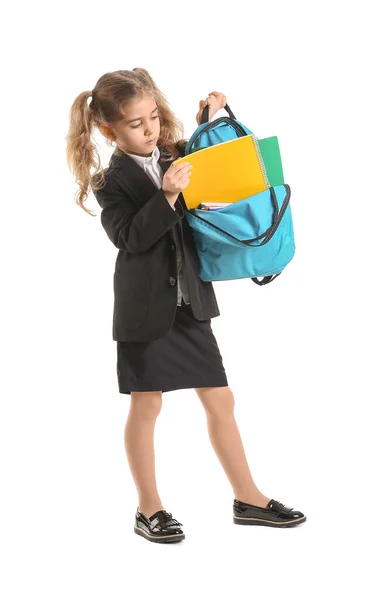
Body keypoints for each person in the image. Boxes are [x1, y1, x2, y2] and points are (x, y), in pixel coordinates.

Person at [66, 68, 306, 544]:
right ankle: (149, 509)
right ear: (108, 130)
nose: (150, 129)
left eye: (153, 116)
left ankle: (249, 499)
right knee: (147, 404)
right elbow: (129, 238)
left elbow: (212, 165)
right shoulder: (108, 181)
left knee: (221, 400)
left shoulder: (174, 152)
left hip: (190, 300)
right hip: (144, 308)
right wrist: (168, 193)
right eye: (136, 124)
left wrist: (208, 117)